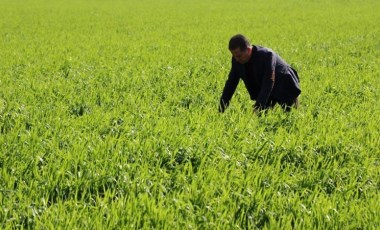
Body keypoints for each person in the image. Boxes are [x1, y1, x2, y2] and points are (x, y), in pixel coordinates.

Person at [219, 34, 301, 114]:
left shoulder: (267, 55)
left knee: (291, 116)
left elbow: (269, 81)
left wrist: (259, 105)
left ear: (248, 50)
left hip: (285, 85)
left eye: (239, 56)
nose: (236, 59)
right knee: (261, 118)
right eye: (234, 56)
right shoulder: (237, 60)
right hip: (265, 88)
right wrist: (221, 109)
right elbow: (231, 84)